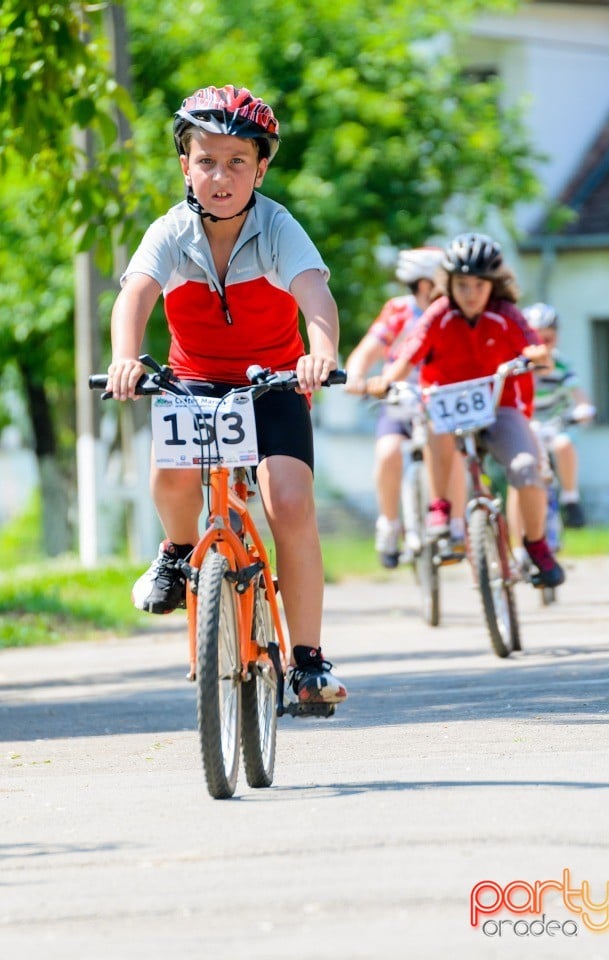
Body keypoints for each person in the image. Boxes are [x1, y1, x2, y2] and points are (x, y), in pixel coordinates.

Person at [106, 84, 346, 707]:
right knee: (171, 476)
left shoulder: (277, 226)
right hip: (195, 381)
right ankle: (179, 549)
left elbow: (315, 295)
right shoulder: (171, 231)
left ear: (260, 167)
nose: (221, 176)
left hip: (272, 382)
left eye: (238, 161)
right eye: (206, 160)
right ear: (185, 164)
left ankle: (309, 660)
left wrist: (321, 354)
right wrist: (125, 359)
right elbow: (135, 294)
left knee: (288, 502)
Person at [366, 232, 565, 589]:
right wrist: (386, 379)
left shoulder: (506, 315)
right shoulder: (438, 314)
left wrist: (538, 357)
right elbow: (409, 353)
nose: (470, 294)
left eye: (479, 285)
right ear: (448, 285)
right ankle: (441, 506)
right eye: (461, 285)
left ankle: (535, 546)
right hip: (449, 405)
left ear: (493, 285)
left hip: (500, 406)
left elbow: (534, 347)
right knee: (434, 421)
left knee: (526, 469)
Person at [344, 246, 466, 567]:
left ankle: (456, 527)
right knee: (388, 452)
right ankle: (388, 525)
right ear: (426, 285)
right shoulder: (399, 311)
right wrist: (356, 377)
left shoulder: (457, 311)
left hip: (441, 400)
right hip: (401, 398)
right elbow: (367, 349)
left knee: (454, 454)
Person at [522, 301, 595, 528]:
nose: (542, 346)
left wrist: (583, 409)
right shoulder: (521, 366)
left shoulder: (562, 365)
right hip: (529, 425)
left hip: (557, 422)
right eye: (536, 340)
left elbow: (579, 395)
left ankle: (570, 498)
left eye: (548, 339)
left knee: (563, 445)